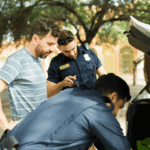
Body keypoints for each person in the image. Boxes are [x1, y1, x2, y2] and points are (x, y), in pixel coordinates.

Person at [0, 73, 132, 150]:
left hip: (8, 143)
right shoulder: (98, 109)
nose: (116, 114)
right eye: (120, 107)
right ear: (113, 97)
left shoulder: (70, 92)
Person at [0, 18, 60, 131]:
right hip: (26, 133)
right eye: (49, 44)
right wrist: (5, 126)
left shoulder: (37, 59)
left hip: (41, 128)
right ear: (35, 38)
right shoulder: (17, 60)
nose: (53, 49)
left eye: (54, 44)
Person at [47, 30, 106, 98]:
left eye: (73, 48)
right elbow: (49, 93)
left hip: (94, 100)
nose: (71, 53)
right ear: (59, 48)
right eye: (67, 51)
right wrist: (62, 84)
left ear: (75, 41)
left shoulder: (89, 53)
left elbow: (104, 77)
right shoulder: (56, 63)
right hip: (73, 105)